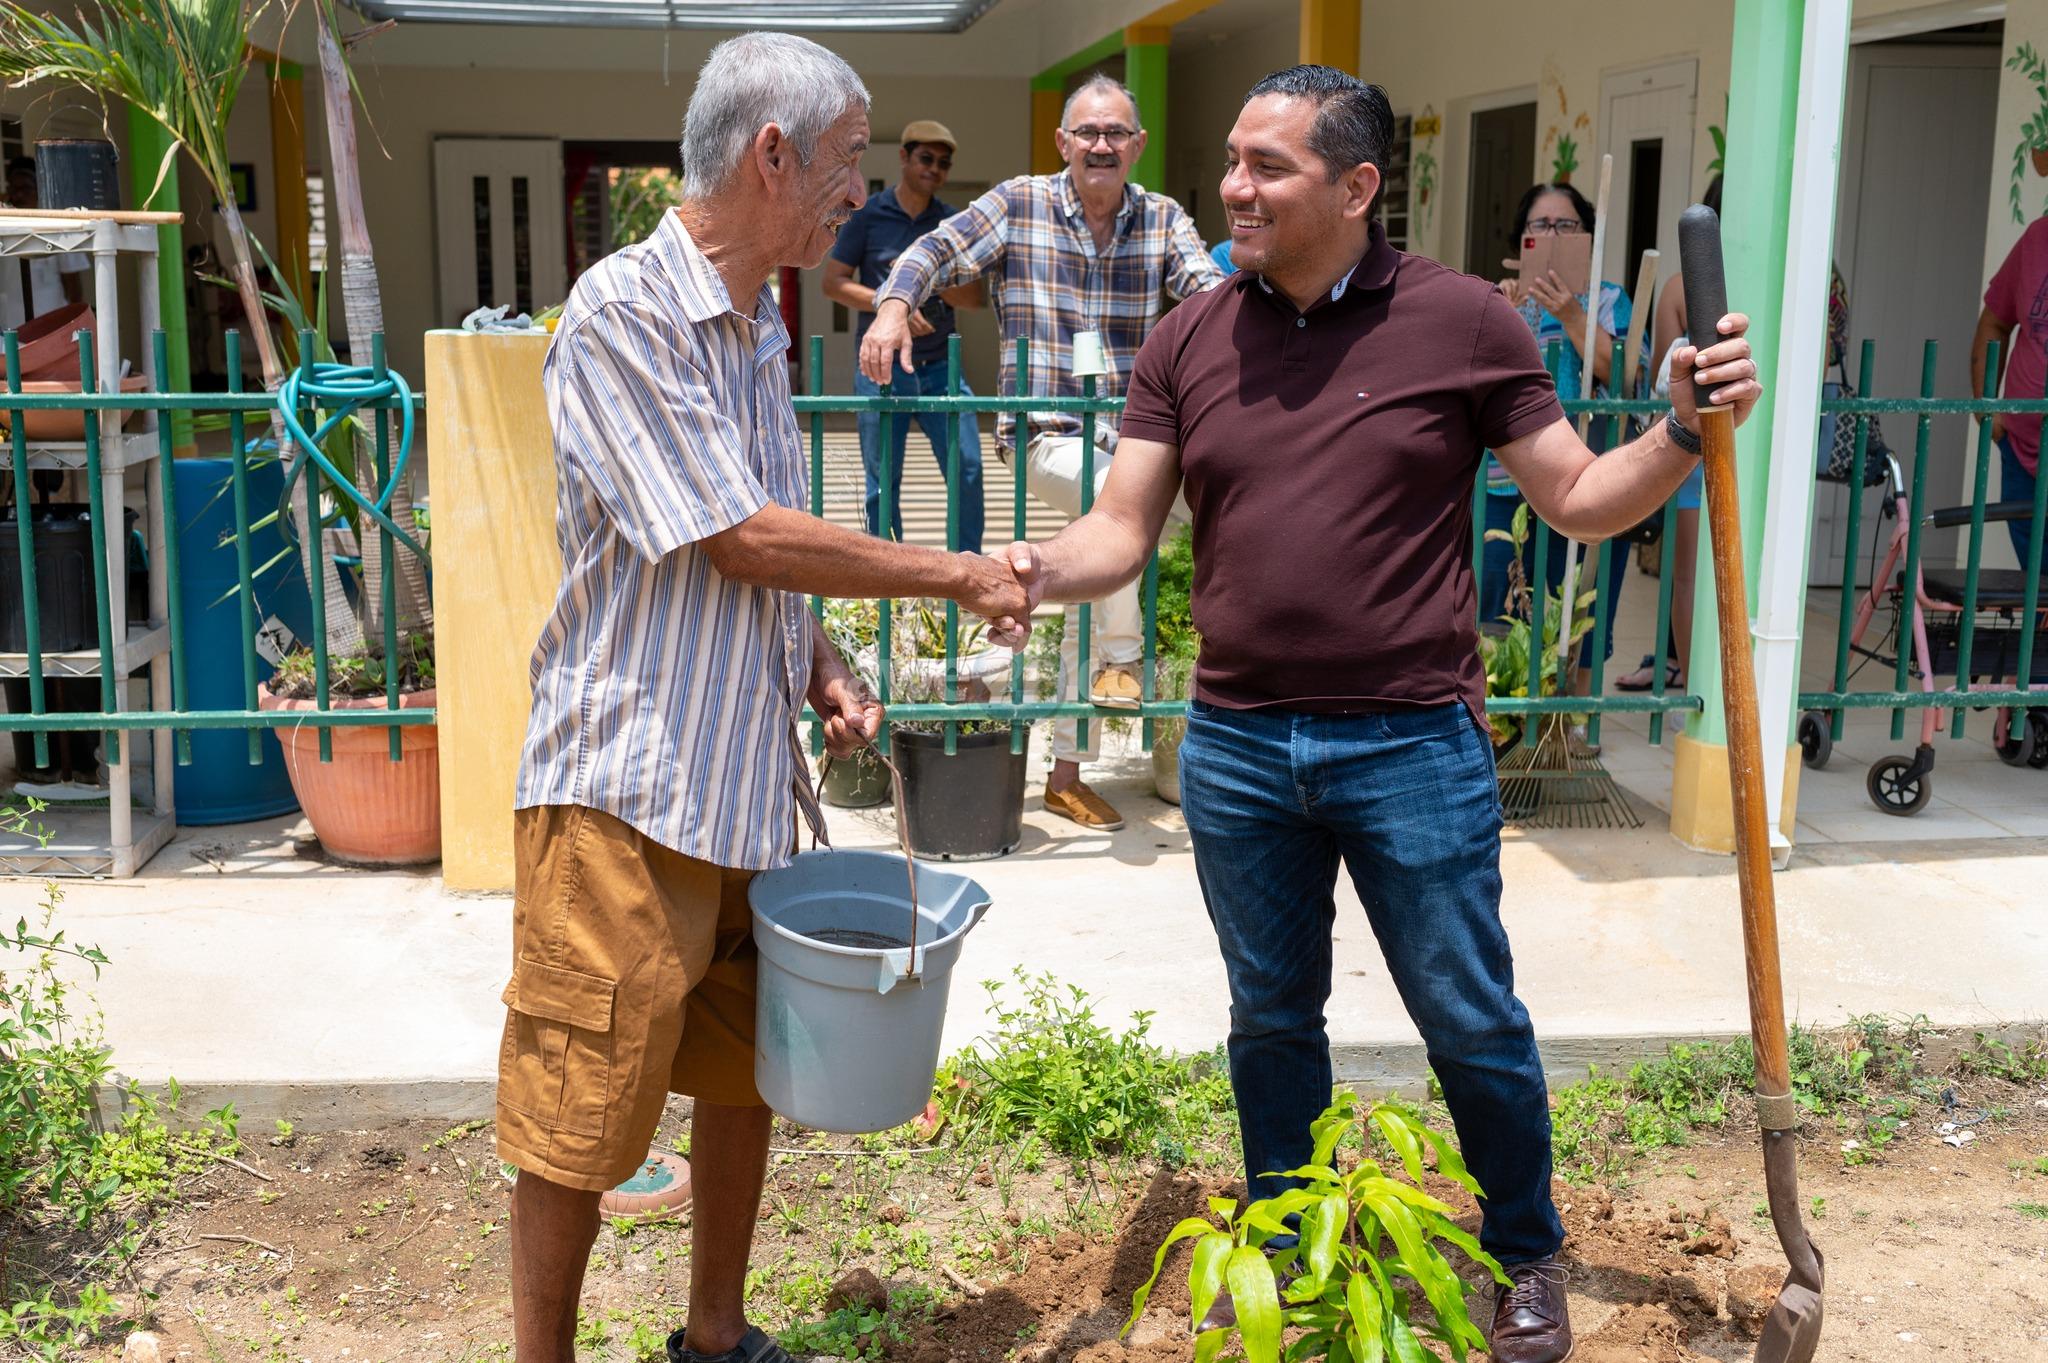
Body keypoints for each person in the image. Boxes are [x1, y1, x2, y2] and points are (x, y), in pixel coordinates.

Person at [979, 66, 1760, 1363]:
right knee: (1269, 1015)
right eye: (1232, 160)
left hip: (1410, 742)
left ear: (1355, 186)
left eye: (1266, 165)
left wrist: (1678, 430)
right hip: (1236, 744)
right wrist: (1031, 569)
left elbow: (1576, 496)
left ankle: (1525, 1249)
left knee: (1468, 1014)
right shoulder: (1189, 337)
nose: (1232, 186)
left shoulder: (1461, 322)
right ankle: (1288, 1244)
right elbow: (1118, 528)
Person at [504, 34, 1027, 1363]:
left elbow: (757, 547)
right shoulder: (624, 312)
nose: (861, 189)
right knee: (580, 1108)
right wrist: (955, 568)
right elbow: (736, 534)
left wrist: (818, 658)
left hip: (745, 786)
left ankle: (717, 1333)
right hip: (625, 791)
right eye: (849, 159)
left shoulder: (757, 323)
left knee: (741, 1070)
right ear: (771, 154)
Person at [859, 72, 1225, 834]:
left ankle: (1066, 770)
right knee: (1116, 510)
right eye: (1087, 132)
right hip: (1045, 436)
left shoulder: (1162, 219)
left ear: (1138, 144)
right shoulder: (1019, 204)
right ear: (1063, 142)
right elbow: (936, 249)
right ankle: (1120, 660)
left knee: (1102, 570)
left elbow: (1210, 296)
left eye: (1116, 133)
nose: (1101, 145)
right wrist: (893, 307)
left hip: (1132, 439)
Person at [1481, 181, 1632, 697]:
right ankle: (1504, 721)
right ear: (1521, 237)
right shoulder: (1500, 299)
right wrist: (1502, 314)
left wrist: (1572, 314)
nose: (1551, 235)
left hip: (1588, 476)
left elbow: (1625, 376)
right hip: (1504, 480)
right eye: (1539, 226)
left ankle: (1571, 727)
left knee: (1580, 610)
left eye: (1565, 225)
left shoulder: (1609, 299)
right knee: (1501, 611)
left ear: (1586, 235)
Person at [822, 119, 987, 553]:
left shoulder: (952, 222)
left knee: (968, 470)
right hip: (883, 368)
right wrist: (891, 304)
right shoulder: (868, 215)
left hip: (941, 368)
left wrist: (922, 279)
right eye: (926, 158)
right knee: (882, 482)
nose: (934, 168)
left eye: (944, 163)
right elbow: (833, 283)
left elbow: (975, 299)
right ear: (904, 157)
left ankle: (967, 568)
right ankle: (888, 580)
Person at [1617, 173, 1722, 694]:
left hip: (1697, 449)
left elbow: (1662, 373)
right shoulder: (1779, 282)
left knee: (1688, 578)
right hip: (1756, 448)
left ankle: (1697, 694)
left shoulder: (1683, 287)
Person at [1973, 205, 2048, 570]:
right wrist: (1986, 405)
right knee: (2036, 585)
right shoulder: (2037, 238)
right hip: (2022, 454)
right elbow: (1995, 323)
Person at [0, 156, 90, 334]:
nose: (19, 195)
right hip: (10, 329)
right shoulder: (4, 225)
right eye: (14, 189)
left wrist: (74, 329)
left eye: (25, 188)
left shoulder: (57, 224)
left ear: (39, 189)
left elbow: (73, 287)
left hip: (51, 328)